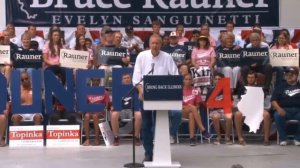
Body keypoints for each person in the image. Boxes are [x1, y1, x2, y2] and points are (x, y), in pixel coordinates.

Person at [132, 34, 178, 162]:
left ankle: (160, 151)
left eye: (158, 43)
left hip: (162, 96)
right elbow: (136, 77)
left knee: (161, 124)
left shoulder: (167, 57)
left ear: (161, 44)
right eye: (153, 43)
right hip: (145, 95)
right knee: (147, 125)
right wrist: (140, 90)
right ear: (149, 44)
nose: (155, 45)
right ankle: (148, 152)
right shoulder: (142, 56)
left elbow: (174, 75)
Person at [234, 71, 272, 145]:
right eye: (249, 77)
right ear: (247, 78)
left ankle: (266, 139)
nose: (250, 79)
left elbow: (261, 101)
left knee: (266, 114)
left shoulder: (261, 88)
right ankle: (240, 138)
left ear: (255, 78)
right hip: (246, 109)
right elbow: (240, 100)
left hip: (257, 109)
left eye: (252, 77)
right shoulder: (242, 88)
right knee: (237, 114)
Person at [110, 73, 142, 146]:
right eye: (124, 78)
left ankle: (136, 137)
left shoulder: (135, 88)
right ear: (122, 80)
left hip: (132, 109)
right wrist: (113, 106)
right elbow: (115, 101)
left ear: (130, 79)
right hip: (121, 109)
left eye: (128, 78)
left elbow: (138, 100)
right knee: (114, 115)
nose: (126, 79)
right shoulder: (118, 89)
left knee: (139, 115)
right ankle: (116, 137)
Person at [272, 67, 300, 146]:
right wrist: (278, 108)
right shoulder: (281, 86)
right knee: (277, 115)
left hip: (298, 110)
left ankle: (298, 138)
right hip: (284, 109)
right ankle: (283, 138)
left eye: (292, 74)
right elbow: (273, 100)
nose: (289, 76)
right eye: (287, 74)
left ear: (297, 75)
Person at [182, 73, 211, 146]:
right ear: (183, 80)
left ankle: (192, 139)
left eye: (189, 79)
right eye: (186, 79)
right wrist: (188, 107)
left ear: (192, 81)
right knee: (192, 108)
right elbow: (177, 105)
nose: (188, 81)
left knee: (191, 114)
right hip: (182, 111)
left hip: (192, 111)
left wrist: (191, 107)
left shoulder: (195, 90)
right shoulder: (179, 90)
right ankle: (203, 130)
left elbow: (198, 105)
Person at [206, 72, 233, 145]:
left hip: (224, 110)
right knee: (215, 116)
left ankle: (227, 137)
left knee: (229, 117)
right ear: (214, 80)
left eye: (219, 79)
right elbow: (208, 104)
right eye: (216, 79)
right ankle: (218, 136)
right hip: (215, 110)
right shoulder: (211, 90)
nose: (217, 80)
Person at [82, 78, 110, 146]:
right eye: (94, 80)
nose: (95, 82)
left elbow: (107, 105)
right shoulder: (88, 91)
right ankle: (87, 139)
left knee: (95, 116)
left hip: (100, 112)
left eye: (97, 80)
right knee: (86, 116)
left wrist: (103, 109)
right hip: (90, 111)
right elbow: (84, 103)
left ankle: (97, 139)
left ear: (99, 81)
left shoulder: (104, 92)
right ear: (91, 81)